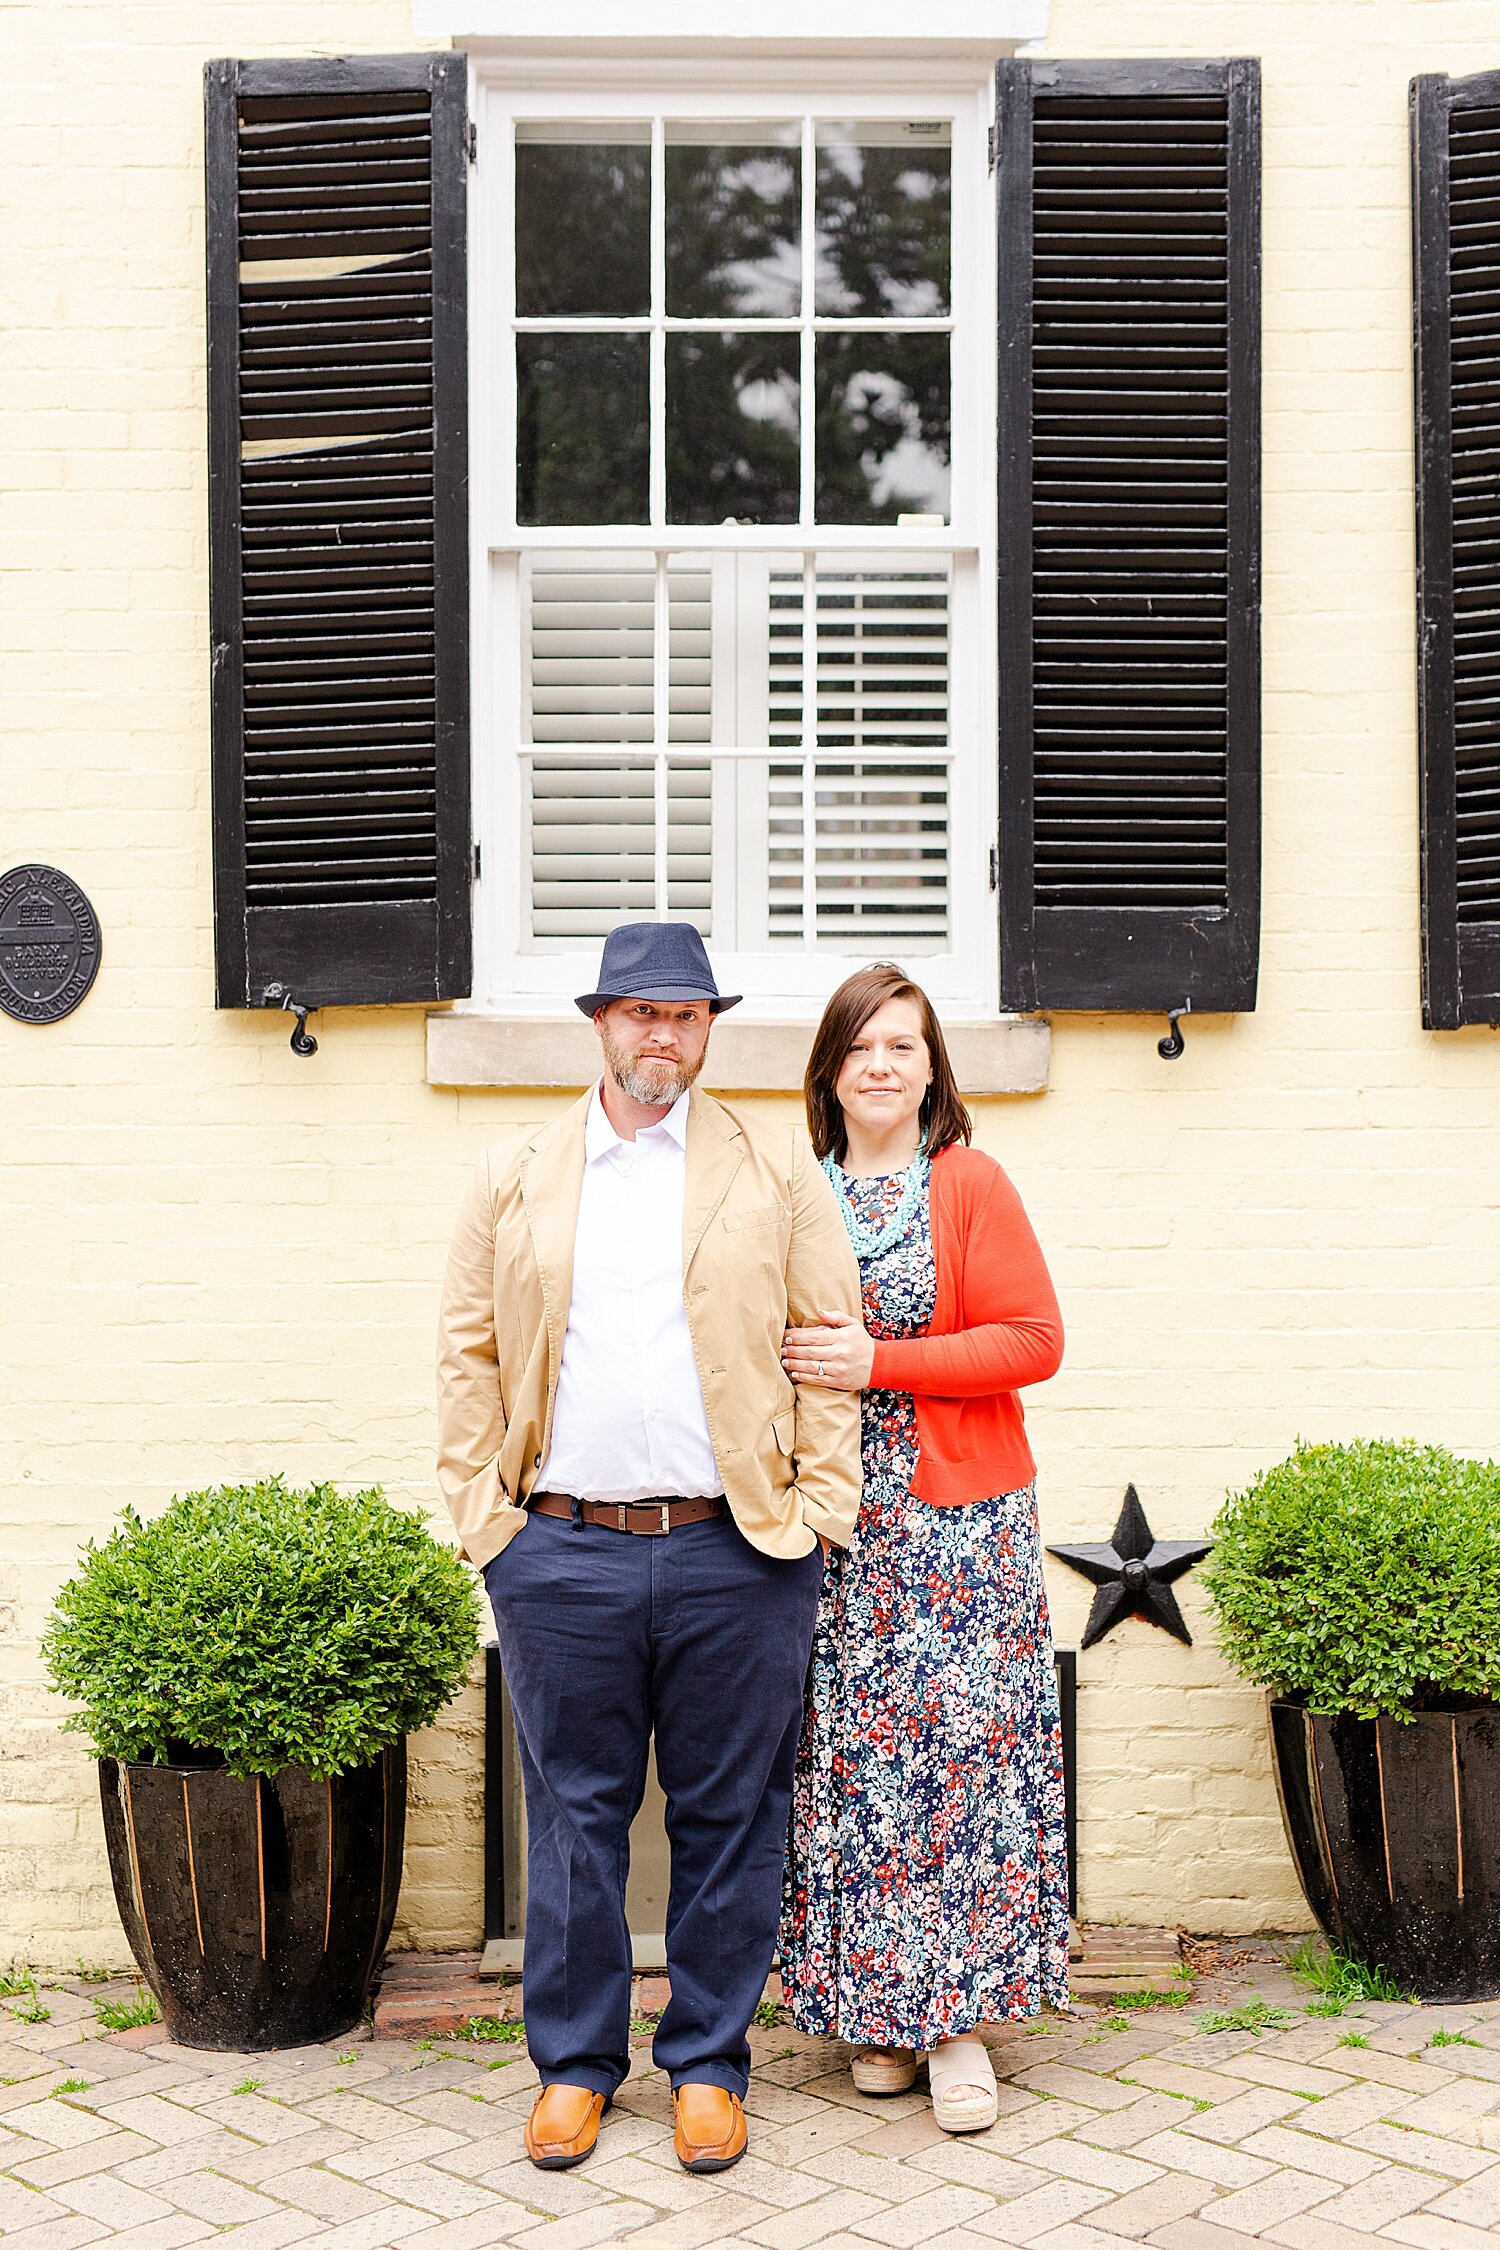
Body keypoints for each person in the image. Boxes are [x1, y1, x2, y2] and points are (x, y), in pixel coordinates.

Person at [436, 922, 861, 2176]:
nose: (659, 1034)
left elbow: (829, 1341)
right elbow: (468, 1352)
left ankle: (710, 2065)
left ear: (709, 1028)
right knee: (576, 1816)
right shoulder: (515, 1169)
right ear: (600, 1023)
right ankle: (573, 2068)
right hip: (559, 1549)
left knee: (732, 1812)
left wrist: (818, 1512)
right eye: (638, 1012)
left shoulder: (774, 1169)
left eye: (683, 1014)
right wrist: (487, 1524)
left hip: (739, 1548)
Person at [777, 962, 1068, 2133]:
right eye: (862, 1047)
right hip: (840, 1528)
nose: (884, 1065)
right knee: (856, 1762)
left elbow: (1033, 1339)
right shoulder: (794, 1192)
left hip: (960, 1525)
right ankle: (879, 2016)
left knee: (959, 1766)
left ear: (933, 1066)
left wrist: (878, 1362)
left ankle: (959, 2026)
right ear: (831, 1072)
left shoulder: (971, 1183)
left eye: (905, 1044)